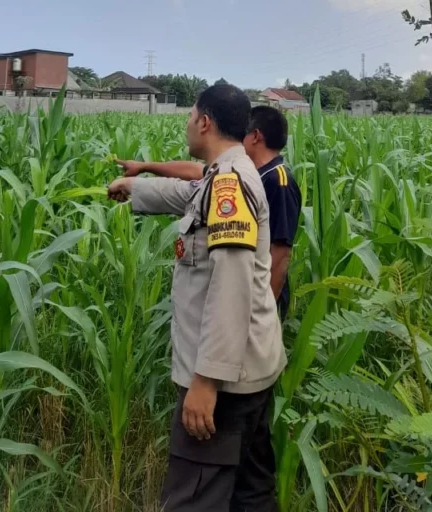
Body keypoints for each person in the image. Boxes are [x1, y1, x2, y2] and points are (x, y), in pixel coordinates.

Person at [108, 85, 285, 512]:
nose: (187, 123)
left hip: (225, 383)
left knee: (194, 497)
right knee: (251, 494)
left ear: (205, 122)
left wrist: (206, 381)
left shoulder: (230, 185)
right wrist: (135, 186)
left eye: (190, 116)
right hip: (249, 372)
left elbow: (232, 284)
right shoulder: (224, 176)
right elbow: (187, 196)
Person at [117, 106, 302, 320]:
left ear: (255, 137)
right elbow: (195, 171)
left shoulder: (278, 181)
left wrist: (261, 315)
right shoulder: (243, 172)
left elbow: (280, 253)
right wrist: (144, 166)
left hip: (257, 301)